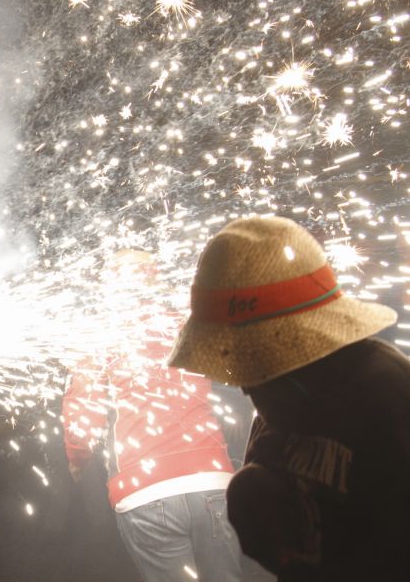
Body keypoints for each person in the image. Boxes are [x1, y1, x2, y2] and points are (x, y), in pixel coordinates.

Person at [168, 216, 410, 580]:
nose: (244, 386)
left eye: (252, 364)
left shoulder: (387, 398)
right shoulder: (278, 407)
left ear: (289, 348)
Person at [63, 249, 244, 582]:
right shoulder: (188, 323)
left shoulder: (99, 336)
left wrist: (77, 458)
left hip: (145, 490)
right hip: (214, 481)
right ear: (155, 279)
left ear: (109, 286)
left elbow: (83, 414)